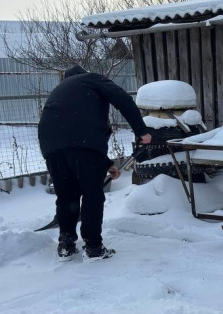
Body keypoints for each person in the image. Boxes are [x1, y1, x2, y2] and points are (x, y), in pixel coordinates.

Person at [38, 65, 151, 262]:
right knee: (92, 194)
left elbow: (72, 132)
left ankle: (66, 245)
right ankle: (93, 247)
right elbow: (122, 98)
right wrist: (141, 131)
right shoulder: (91, 78)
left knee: (66, 195)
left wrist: (106, 164)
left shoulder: (60, 90)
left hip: (51, 146)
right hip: (82, 144)